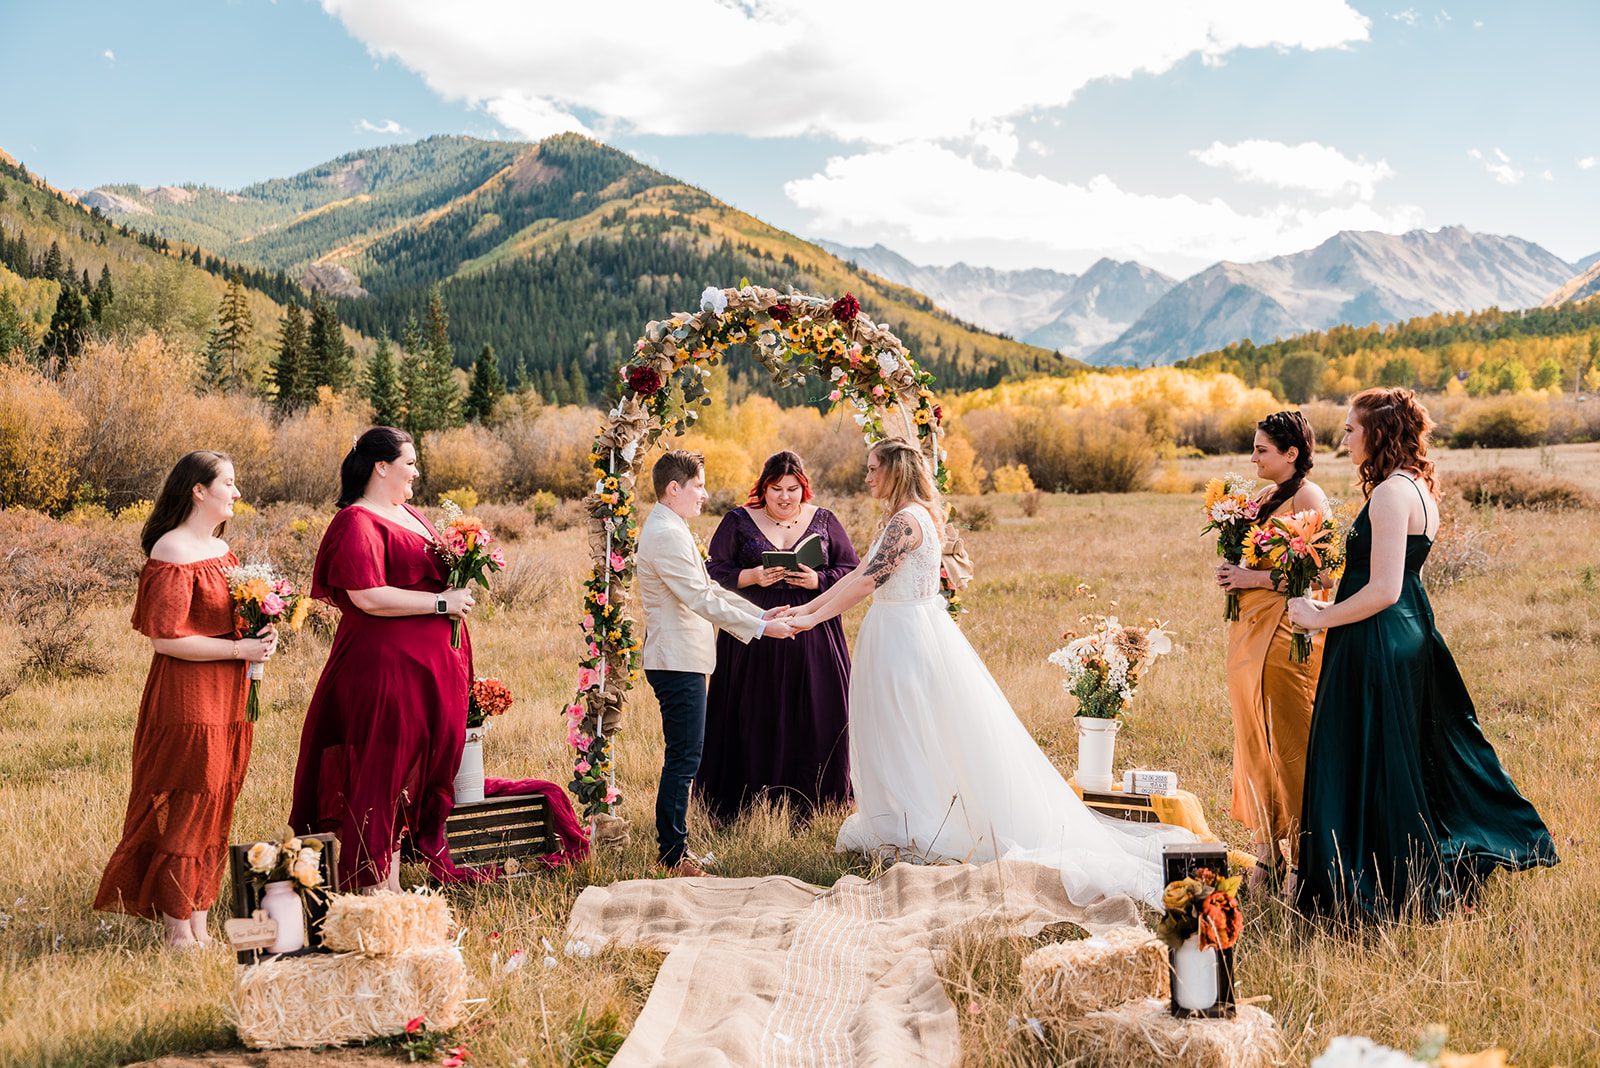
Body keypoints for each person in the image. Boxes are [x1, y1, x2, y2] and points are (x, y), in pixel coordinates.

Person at [787, 440, 1190, 909]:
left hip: (906, 637)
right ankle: (902, 821)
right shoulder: (907, 516)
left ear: (895, 470)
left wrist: (811, 619)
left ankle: (922, 827)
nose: (867, 476)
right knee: (897, 731)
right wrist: (804, 609)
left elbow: (865, 580)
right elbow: (858, 576)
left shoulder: (906, 521)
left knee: (909, 730)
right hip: (895, 629)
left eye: (873, 468)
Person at [1289, 389, 1558, 921]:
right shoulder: (1416, 486)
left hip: (1379, 637)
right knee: (1389, 753)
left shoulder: (1392, 493)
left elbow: (1385, 588)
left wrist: (1319, 617)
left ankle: (1366, 883)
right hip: (1403, 628)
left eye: (1350, 429)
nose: (1343, 440)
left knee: (1358, 753)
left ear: (1379, 432)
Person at [95, 451, 275, 947]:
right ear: (198, 490)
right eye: (229, 484)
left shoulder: (220, 549)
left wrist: (260, 635)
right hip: (188, 697)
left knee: (217, 797)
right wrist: (238, 647)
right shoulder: (172, 551)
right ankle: (177, 928)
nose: (237, 493)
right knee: (190, 796)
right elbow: (166, 639)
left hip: (229, 692)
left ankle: (197, 912)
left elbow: (229, 619)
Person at [289, 427, 477, 891]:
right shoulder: (357, 521)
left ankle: (390, 880)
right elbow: (366, 596)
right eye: (409, 462)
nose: (417, 470)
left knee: (410, 772)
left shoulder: (408, 513)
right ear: (381, 466)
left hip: (429, 671)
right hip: (385, 669)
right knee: (382, 768)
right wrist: (440, 605)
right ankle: (370, 882)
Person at [637, 449, 796, 876]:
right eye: (699, 486)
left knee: (686, 755)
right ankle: (673, 857)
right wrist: (761, 631)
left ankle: (677, 850)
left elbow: (708, 587)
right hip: (675, 660)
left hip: (683, 658)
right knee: (683, 758)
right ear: (675, 489)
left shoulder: (673, 526)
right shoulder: (666, 533)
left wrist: (760, 614)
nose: (705, 494)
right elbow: (701, 599)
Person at [700, 451, 859, 823]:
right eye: (776, 490)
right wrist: (753, 577)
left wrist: (817, 580)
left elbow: (851, 568)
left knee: (816, 708)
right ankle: (746, 804)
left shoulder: (824, 520)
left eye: (793, 489)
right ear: (764, 488)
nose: (785, 498)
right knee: (754, 710)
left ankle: (817, 801)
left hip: (814, 625)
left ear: (803, 488)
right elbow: (713, 572)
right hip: (754, 629)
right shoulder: (738, 521)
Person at [1214, 411, 1328, 884]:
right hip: (1248, 633)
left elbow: (1324, 574)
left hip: (1286, 636)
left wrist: (1251, 577)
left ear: (1291, 454)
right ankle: (1266, 847)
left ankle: (1303, 855)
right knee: (1253, 741)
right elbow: (1246, 556)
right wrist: (1230, 566)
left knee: (1289, 743)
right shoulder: (1260, 497)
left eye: (1262, 450)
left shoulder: (1308, 496)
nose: (1253, 457)